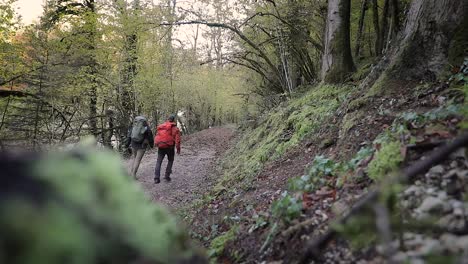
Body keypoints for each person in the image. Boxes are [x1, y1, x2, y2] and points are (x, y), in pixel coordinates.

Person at [154, 114, 181, 184]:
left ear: (168, 119)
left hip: (161, 146)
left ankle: (156, 178)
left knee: (159, 162)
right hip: (170, 147)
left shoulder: (162, 126)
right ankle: (167, 176)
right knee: (170, 160)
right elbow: (177, 140)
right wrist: (178, 149)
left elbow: (157, 135)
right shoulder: (174, 128)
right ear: (173, 120)